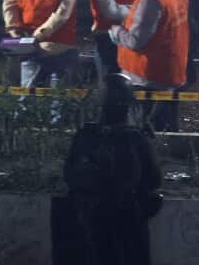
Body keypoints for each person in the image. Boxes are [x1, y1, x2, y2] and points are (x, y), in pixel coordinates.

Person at [64, 73, 162, 265]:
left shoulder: (86, 135)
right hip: (128, 214)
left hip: (94, 214)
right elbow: (153, 180)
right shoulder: (136, 138)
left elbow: (70, 175)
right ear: (128, 106)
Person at [110, 0, 189, 132]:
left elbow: (135, 41)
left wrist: (115, 31)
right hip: (170, 70)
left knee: (142, 131)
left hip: (147, 76)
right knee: (167, 128)